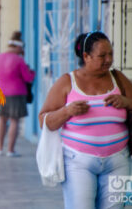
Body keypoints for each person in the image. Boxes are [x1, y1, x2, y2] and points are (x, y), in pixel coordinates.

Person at [39, 31, 132, 209]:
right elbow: (44, 120)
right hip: (78, 163)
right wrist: (67, 112)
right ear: (86, 56)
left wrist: (127, 102)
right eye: (102, 55)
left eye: (110, 54)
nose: (108, 59)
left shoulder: (118, 78)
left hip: (119, 161)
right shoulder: (67, 82)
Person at [0, 31, 35, 157]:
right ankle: (10, 150)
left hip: (1, 93)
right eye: (22, 49)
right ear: (18, 47)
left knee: (2, 119)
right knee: (14, 121)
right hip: (16, 93)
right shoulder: (19, 60)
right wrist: (33, 72)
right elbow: (28, 78)